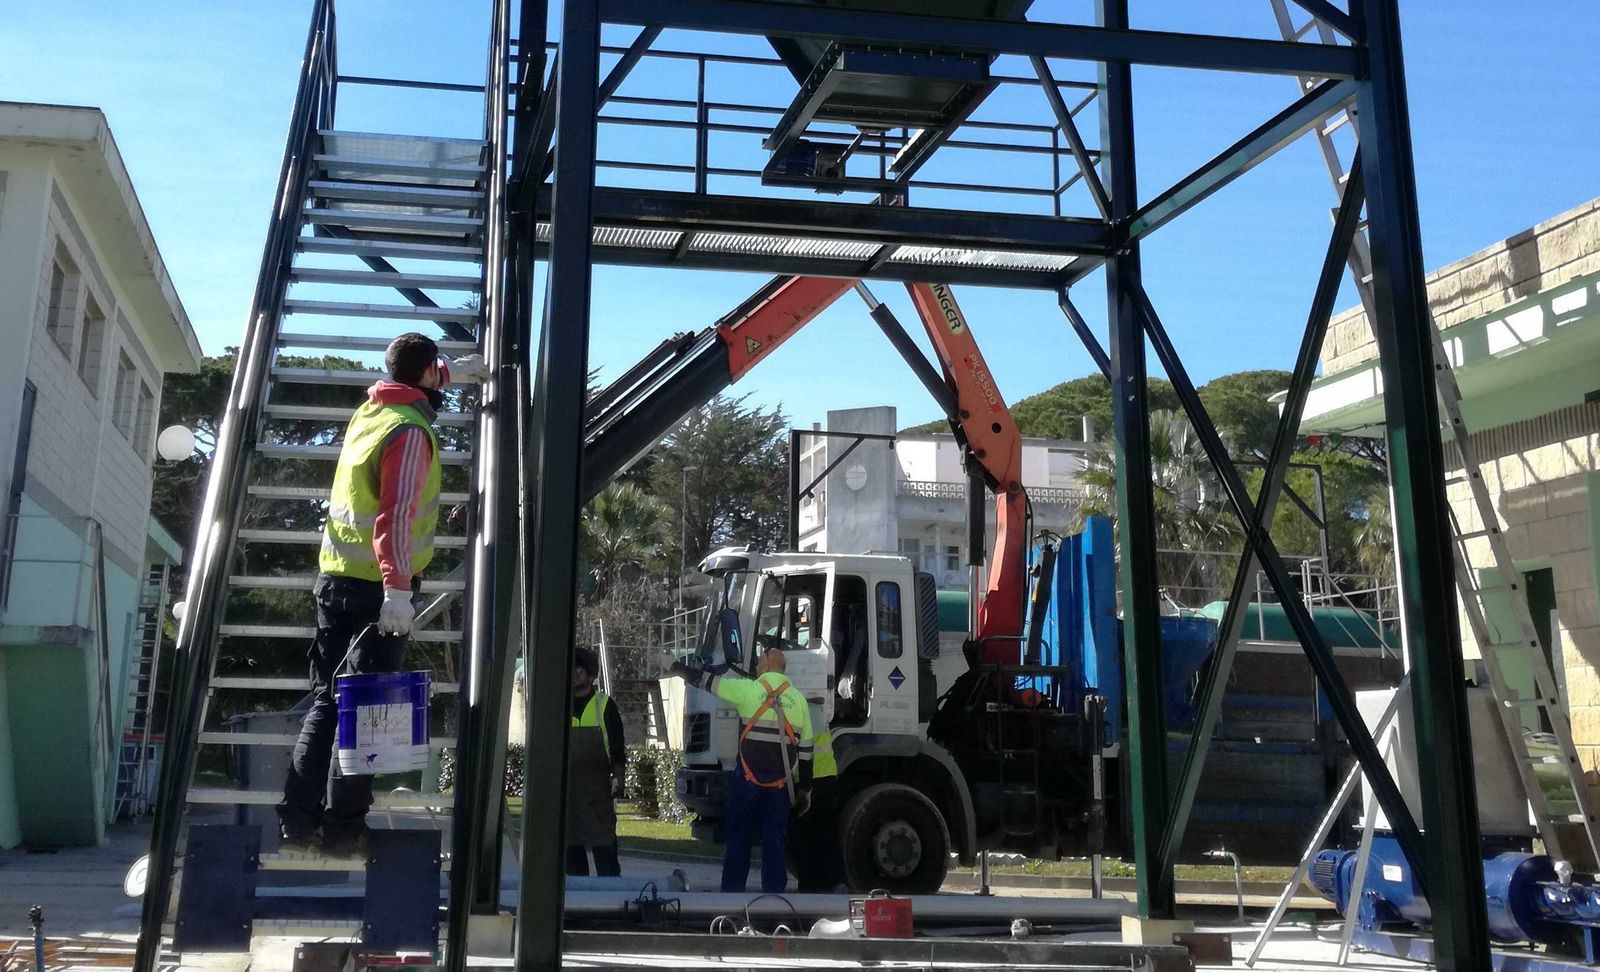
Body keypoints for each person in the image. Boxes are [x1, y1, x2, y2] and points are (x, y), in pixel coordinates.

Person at [276, 332, 485, 856]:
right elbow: (394, 518)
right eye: (438, 369)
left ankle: (297, 825)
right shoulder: (409, 432)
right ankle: (344, 830)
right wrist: (397, 590)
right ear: (427, 372)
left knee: (328, 704)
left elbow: (412, 378)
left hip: (335, 578)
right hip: (376, 591)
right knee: (365, 712)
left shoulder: (372, 411)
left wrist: (457, 371)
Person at [664, 648, 813, 892]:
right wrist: (805, 789)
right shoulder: (799, 701)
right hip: (779, 787)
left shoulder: (749, 690)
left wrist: (676, 667)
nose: (755, 665)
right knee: (775, 842)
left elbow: (706, 681)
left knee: (738, 840)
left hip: (747, 783)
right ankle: (775, 900)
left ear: (767, 666)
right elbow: (806, 751)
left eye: (759, 661)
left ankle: (732, 897)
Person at [567, 646, 626, 877]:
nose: (574, 675)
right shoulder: (559, 706)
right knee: (572, 858)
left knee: (605, 853)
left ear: (591, 676)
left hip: (598, 793)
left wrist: (618, 777)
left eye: (579, 671)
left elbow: (617, 746)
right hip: (568, 793)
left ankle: (610, 894)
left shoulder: (604, 705)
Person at [789, 726, 841, 892]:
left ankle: (809, 885)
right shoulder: (820, 714)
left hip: (804, 780)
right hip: (827, 775)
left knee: (804, 837)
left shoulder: (797, 715)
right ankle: (833, 882)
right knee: (827, 833)